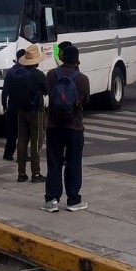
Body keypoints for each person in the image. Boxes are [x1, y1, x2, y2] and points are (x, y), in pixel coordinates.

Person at [41, 45, 90, 212]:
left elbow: (49, 93)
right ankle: (73, 200)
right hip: (74, 126)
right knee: (74, 162)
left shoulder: (51, 75)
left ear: (61, 58)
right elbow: (86, 101)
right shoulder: (82, 79)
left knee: (54, 162)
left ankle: (51, 200)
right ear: (77, 60)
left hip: (54, 125)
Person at [5, 45, 47, 183]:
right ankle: (36, 173)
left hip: (20, 110)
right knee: (36, 142)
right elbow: (46, 91)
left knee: (22, 141)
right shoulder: (39, 75)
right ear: (36, 61)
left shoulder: (16, 73)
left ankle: (21, 173)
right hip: (36, 111)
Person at [0, 49, 27, 161]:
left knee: (12, 132)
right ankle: (22, 154)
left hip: (12, 106)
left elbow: (5, 90)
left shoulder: (10, 72)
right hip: (24, 107)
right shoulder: (27, 72)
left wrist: (4, 105)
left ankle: (8, 154)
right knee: (23, 132)